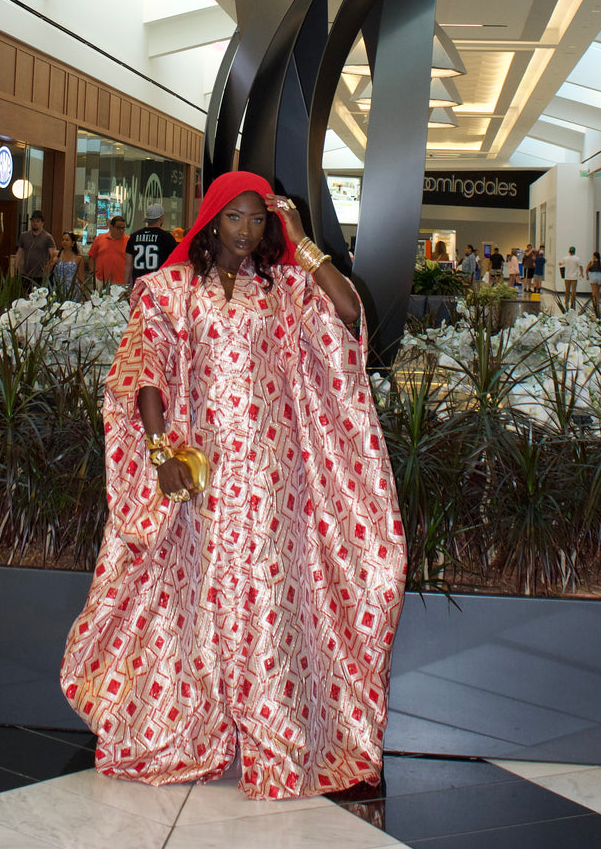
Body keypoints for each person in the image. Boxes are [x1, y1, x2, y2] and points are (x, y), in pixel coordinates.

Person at [61, 170, 407, 800]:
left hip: (274, 481)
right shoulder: (171, 289)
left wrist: (301, 240)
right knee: (195, 598)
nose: (246, 231)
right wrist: (160, 452)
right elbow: (143, 369)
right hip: (203, 477)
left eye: (257, 219)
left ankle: (278, 738)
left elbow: (349, 312)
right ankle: (187, 726)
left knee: (268, 600)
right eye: (234, 217)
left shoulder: (282, 289)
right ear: (212, 219)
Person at [125, 202, 178, 285]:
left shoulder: (134, 237)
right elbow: (173, 264)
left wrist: (126, 285)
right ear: (161, 218)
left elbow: (128, 266)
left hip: (138, 284)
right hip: (158, 285)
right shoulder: (166, 237)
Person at [15, 210, 57, 289]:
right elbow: (19, 253)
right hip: (26, 274)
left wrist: (48, 268)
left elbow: (53, 255)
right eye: (33, 221)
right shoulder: (24, 236)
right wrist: (16, 267)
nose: (35, 223)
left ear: (42, 223)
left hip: (40, 275)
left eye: (37, 221)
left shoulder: (47, 237)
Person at [87, 215, 128, 285]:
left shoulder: (128, 241)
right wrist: (92, 271)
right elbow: (91, 256)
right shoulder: (100, 239)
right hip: (101, 280)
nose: (121, 231)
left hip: (121, 281)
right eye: (118, 228)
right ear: (111, 227)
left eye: (123, 228)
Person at [51, 231, 86, 297]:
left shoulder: (78, 258)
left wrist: (82, 294)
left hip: (72, 291)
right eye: (63, 240)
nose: (64, 242)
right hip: (57, 289)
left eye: (67, 240)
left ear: (72, 243)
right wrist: (52, 263)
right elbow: (47, 271)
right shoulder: (56, 254)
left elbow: (81, 277)